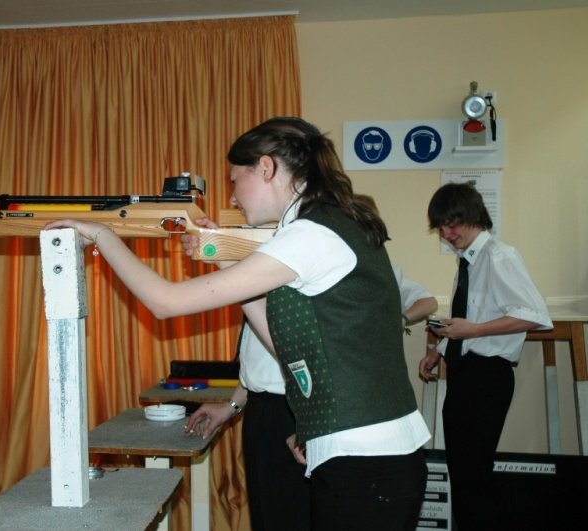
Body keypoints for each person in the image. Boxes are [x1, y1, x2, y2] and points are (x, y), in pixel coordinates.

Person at [46, 116, 431, 530]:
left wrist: (103, 235)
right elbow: (286, 346)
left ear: (265, 168)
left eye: (234, 180)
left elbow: (164, 302)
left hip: (365, 461)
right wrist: (222, 258)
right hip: (367, 455)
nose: (232, 196)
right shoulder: (328, 223)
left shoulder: (310, 236)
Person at [183, 209, 437, 531]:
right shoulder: (273, 254)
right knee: (267, 515)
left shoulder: (321, 256)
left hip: (301, 410)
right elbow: (264, 355)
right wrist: (232, 405)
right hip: (262, 408)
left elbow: (312, 354)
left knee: (296, 516)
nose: (234, 199)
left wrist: (400, 320)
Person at [417, 182, 552, 531]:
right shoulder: (468, 262)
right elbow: (472, 318)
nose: (447, 234)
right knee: (464, 475)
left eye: (453, 224)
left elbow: (535, 315)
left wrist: (473, 331)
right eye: (441, 228)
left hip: (487, 376)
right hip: (466, 373)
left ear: (474, 216)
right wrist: (439, 350)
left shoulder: (499, 256)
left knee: (473, 478)